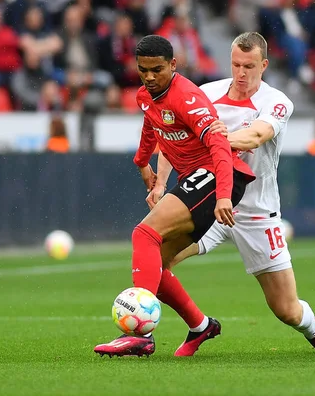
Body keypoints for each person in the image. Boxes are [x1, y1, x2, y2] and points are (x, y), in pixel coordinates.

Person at [110, 32, 315, 357]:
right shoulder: (207, 93)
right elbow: (171, 135)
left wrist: (216, 139)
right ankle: (190, 326)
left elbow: (257, 135)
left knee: (286, 309)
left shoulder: (276, 101)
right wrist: (161, 182)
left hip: (255, 211)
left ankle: (314, 330)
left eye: (249, 65)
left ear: (263, 65)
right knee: (155, 259)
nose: (241, 73)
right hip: (210, 197)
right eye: (235, 64)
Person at [94, 35, 255, 357]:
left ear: (173, 65)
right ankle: (201, 326)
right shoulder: (145, 95)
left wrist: (223, 195)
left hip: (218, 176)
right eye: (143, 70)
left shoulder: (189, 98)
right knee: (159, 261)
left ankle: (142, 336)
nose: (150, 77)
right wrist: (142, 163)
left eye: (157, 70)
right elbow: (151, 126)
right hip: (196, 180)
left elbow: (220, 144)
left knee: (144, 234)